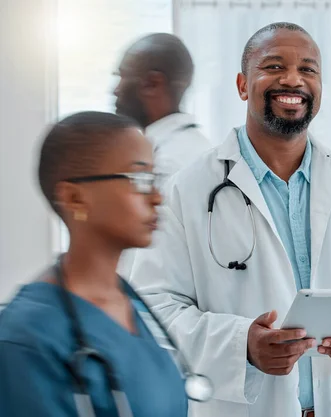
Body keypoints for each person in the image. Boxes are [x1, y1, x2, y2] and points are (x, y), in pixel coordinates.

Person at [130, 22, 331, 417]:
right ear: (242, 85)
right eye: (273, 66)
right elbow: (154, 306)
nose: (293, 80)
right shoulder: (188, 190)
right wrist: (240, 346)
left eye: (309, 70)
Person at [0, 112, 189, 416]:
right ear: (75, 198)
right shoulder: (27, 336)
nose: (156, 197)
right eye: (139, 179)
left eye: (155, 179)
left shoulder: (132, 306)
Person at [113, 32, 212, 277]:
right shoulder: (196, 149)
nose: (115, 90)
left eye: (121, 77)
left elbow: (143, 270)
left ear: (152, 84)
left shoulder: (169, 164)